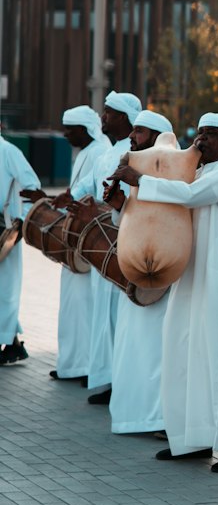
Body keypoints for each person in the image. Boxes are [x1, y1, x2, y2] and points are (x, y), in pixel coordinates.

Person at [113, 113, 218, 472]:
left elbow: (190, 197)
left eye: (213, 135)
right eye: (201, 132)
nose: (203, 139)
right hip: (191, 276)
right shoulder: (201, 170)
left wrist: (141, 180)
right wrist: (124, 198)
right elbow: (168, 206)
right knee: (183, 354)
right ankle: (193, 439)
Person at [104, 110, 174, 436]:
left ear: (158, 137)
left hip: (160, 274)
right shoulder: (137, 170)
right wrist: (120, 204)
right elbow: (133, 221)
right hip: (135, 270)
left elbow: (171, 219)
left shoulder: (172, 168)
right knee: (133, 346)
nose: (132, 138)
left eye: (140, 133)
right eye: (133, 131)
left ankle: (160, 419)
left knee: (158, 351)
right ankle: (135, 416)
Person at [79, 91, 142, 406]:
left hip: (124, 241)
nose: (102, 117)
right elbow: (88, 190)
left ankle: (122, 381)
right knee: (102, 314)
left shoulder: (136, 153)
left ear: (124, 118)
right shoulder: (104, 153)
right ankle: (105, 379)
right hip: (100, 242)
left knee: (121, 314)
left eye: (109, 112)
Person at [43, 108, 110, 384]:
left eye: (70, 128)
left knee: (88, 306)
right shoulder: (86, 151)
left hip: (92, 240)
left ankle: (86, 367)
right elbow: (81, 187)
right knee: (73, 305)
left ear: (85, 129)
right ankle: (73, 364)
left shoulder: (100, 150)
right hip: (77, 239)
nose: (65, 134)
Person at [0, 130, 41, 364]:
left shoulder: (9, 151)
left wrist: (21, 222)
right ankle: (12, 344)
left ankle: (9, 343)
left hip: (5, 232)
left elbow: (32, 186)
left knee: (5, 290)